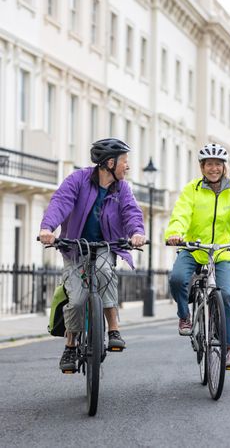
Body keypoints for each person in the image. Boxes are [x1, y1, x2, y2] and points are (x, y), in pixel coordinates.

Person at [39, 138, 147, 372]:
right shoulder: (78, 180)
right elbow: (60, 202)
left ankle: (114, 329)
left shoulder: (122, 188)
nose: (127, 167)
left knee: (105, 271)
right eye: (124, 162)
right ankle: (70, 346)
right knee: (76, 299)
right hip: (75, 247)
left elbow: (131, 213)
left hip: (105, 246)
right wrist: (48, 228)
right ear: (110, 163)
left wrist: (137, 232)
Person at [165, 143, 230, 368]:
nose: (213, 168)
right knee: (177, 278)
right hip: (194, 248)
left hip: (222, 251)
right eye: (209, 164)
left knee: (226, 294)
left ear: (224, 167)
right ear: (202, 167)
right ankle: (184, 316)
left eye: (217, 164)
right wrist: (175, 232)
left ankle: (229, 349)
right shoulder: (191, 189)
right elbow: (182, 213)